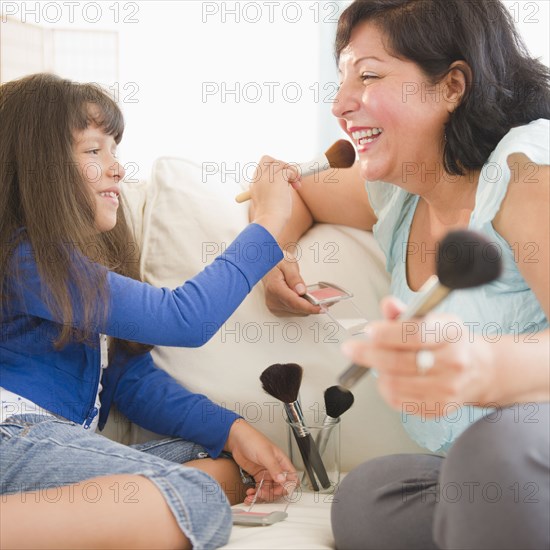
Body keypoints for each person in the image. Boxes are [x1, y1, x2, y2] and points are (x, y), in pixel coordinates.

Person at [258, 1, 550, 548]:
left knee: (494, 457)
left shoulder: (527, 171)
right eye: (342, 75)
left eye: (368, 75)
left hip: (527, 457)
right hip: (476, 477)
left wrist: (483, 367)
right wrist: (271, 247)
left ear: (451, 87)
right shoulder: (398, 191)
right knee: (369, 497)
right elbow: (292, 192)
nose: (341, 103)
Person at [0, 73, 299, 550]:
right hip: (12, 436)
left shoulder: (80, 270)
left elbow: (127, 379)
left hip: (47, 445)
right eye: (94, 151)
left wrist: (232, 428)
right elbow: (184, 318)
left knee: (222, 461)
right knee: (196, 497)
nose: (117, 168)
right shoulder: (23, 258)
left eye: (114, 151)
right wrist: (270, 222)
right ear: (38, 167)